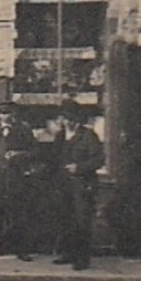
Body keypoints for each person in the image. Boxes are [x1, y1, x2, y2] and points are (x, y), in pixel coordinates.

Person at [51, 99, 106, 270]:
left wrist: (80, 167)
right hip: (63, 185)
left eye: (73, 118)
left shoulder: (88, 135)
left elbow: (99, 159)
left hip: (83, 185)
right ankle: (68, 253)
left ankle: (82, 259)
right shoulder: (60, 136)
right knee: (66, 219)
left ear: (78, 119)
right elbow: (54, 159)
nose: (69, 122)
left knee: (82, 221)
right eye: (66, 118)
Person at [0, 101, 37, 259]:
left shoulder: (23, 131)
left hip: (15, 175)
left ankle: (21, 249)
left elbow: (34, 151)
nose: (5, 116)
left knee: (17, 210)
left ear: (13, 114)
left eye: (8, 112)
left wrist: (19, 154)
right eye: (2, 113)